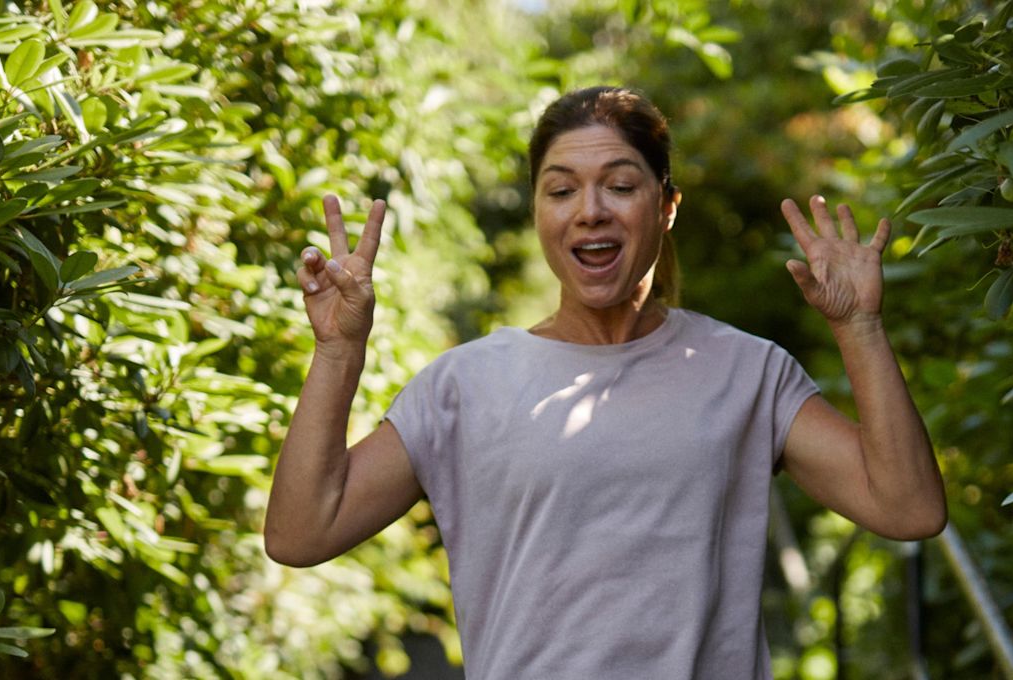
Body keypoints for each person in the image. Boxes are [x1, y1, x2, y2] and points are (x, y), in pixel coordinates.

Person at [264, 86, 945, 679]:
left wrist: (859, 329)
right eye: (561, 190)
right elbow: (301, 533)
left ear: (667, 206)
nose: (589, 210)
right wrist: (337, 352)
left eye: (620, 185)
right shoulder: (465, 385)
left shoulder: (745, 371)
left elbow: (908, 509)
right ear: (540, 214)